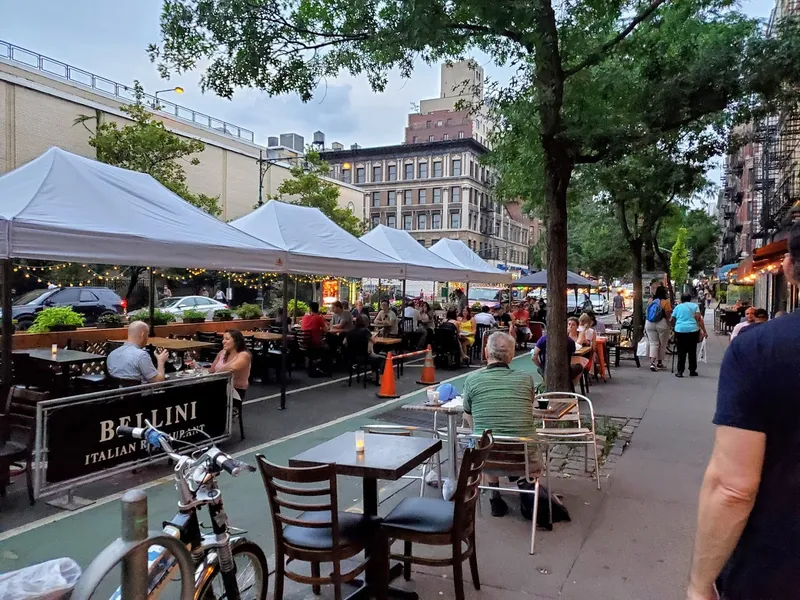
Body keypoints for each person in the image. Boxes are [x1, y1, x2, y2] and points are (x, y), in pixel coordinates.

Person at [686, 222, 800, 600]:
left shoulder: (759, 349)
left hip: (775, 573)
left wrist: (700, 584)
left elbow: (733, 488)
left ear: (788, 267)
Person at [462, 332, 541, 517]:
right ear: (512, 356)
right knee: (525, 437)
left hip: (486, 458)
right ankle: (528, 494)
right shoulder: (526, 379)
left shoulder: (472, 380)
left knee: (484, 436)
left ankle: (494, 495)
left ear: (485, 352)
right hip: (523, 457)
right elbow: (528, 408)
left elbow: (468, 415)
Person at [671, 293, 707, 378]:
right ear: (690, 299)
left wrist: (674, 327)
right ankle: (692, 370)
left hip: (680, 330)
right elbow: (699, 319)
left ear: (681, 299)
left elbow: (672, 319)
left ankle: (680, 371)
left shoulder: (677, 307)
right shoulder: (694, 306)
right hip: (693, 330)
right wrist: (704, 331)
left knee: (681, 351)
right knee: (692, 350)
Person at [209, 329, 252, 400]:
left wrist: (216, 374)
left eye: (227, 339)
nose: (223, 341)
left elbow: (232, 368)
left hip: (235, 390)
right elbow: (211, 370)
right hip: (218, 387)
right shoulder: (222, 353)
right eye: (223, 339)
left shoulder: (244, 355)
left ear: (236, 341)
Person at [644, 285, 672, 371]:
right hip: (662, 323)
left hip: (649, 323)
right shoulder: (666, 302)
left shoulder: (650, 301)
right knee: (662, 344)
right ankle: (659, 363)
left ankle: (652, 363)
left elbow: (646, 312)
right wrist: (670, 325)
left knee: (653, 343)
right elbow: (667, 315)